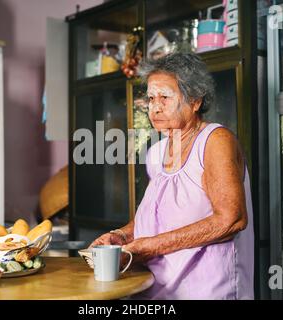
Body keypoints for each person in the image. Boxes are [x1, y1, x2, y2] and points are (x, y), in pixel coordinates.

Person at [90, 52, 254, 299]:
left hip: (206, 292)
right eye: (151, 98)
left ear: (195, 100)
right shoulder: (156, 152)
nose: (155, 107)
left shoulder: (215, 141)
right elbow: (158, 216)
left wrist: (148, 248)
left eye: (165, 97)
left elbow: (231, 220)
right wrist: (122, 235)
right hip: (156, 290)